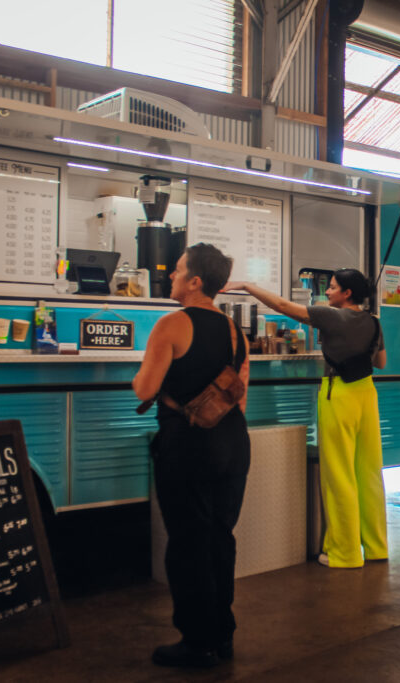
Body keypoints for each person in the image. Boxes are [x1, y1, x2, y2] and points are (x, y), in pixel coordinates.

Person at [133, 243, 250, 668]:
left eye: (178, 270)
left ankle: (196, 641)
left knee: (187, 542)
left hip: (189, 443)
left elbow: (145, 389)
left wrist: (139, 376)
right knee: (220, 536)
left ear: (195, 281)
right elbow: (240, 396)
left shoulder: (171, 324)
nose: (170, 276)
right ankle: (222, 634)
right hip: (233, 443)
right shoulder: (236, 331)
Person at [226, 269, 387, 569]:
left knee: (339, 475)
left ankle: (345, 554)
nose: (327, 293)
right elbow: (380, 361)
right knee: (368, 473)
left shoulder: (329, 316)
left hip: (338, 394)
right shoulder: (374, 322)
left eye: (333, 288)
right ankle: (376, 548)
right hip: (367, 395)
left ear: (347, 293)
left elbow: (284, 308)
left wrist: (249, 284)